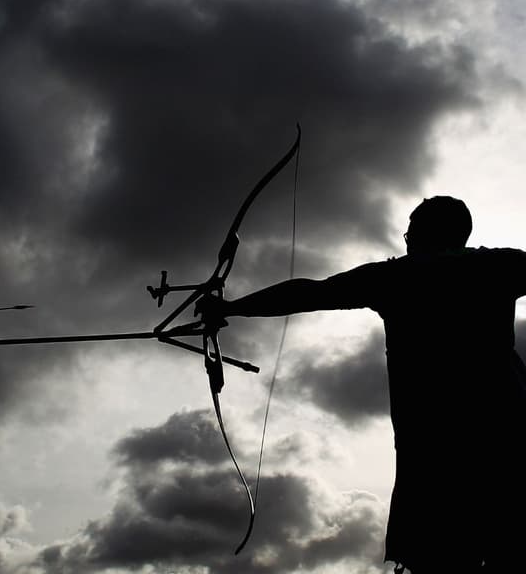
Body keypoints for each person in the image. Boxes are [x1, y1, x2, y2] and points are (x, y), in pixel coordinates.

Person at [197, 195, 526, 573]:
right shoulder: (501, 265)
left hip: (434, 465)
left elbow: (309, 292)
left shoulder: (397, 277)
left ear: (422, 233)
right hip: (509, 448)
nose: (406, 240)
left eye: (411, 231)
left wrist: (230, 307)